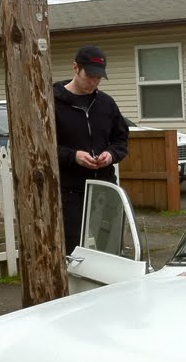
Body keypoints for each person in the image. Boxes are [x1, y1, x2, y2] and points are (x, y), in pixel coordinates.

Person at [53, 45, 129, 252]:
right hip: (69, 190)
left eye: (99, 78)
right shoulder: (51, 103)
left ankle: (110, 285)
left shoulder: (107, 104)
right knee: (71, 249)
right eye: (90, 76)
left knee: (111, 246)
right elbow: (42, 149)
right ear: (75, 68)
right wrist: (73, 156)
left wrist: (111, 154)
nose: (94, 82)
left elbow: (121, 140)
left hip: (105, 184)